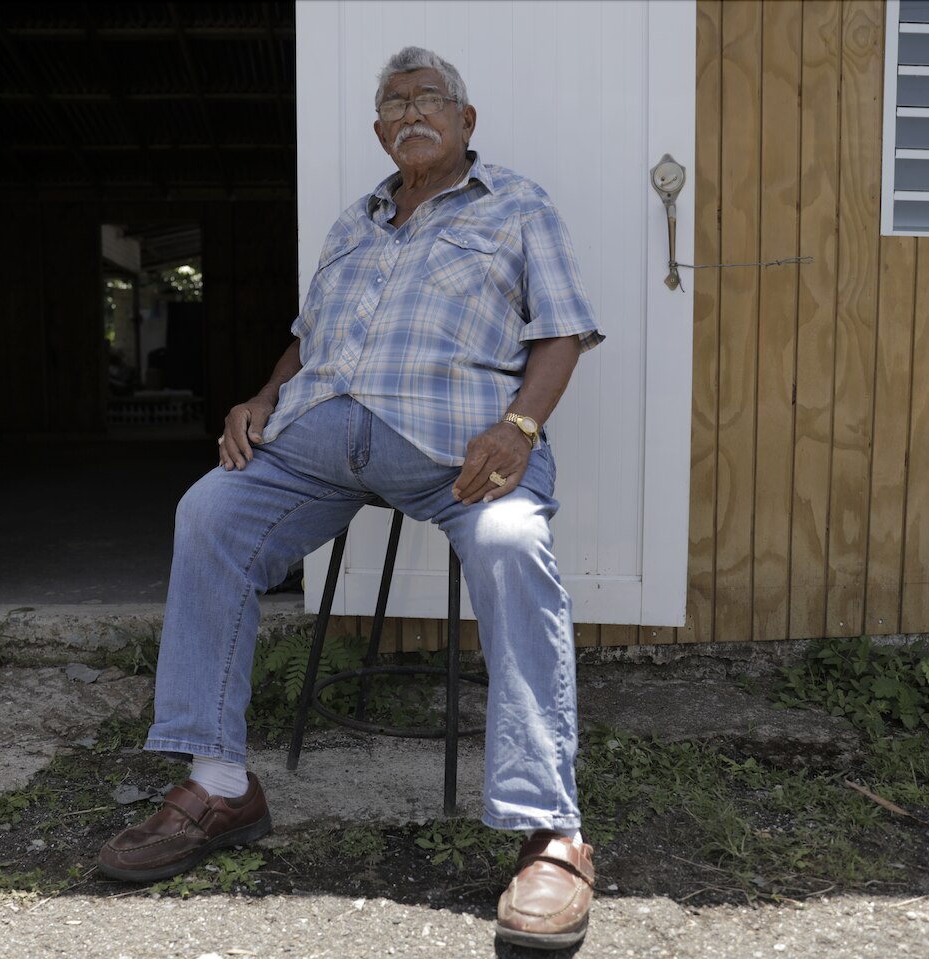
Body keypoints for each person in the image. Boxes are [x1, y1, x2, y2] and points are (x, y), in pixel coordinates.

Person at [98, 46, 604, 949]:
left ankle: (550, 830)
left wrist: (519, 428)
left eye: (429, 98)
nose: (411, 111)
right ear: (379, 131)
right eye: (394, 103)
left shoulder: (515, 206)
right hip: (320, 443)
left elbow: (561, 331)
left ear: (466, 121)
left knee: (509, 544)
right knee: (208, 511)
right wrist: (261, 397)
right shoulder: (353, 223)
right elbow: (305, 342)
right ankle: (219, 783)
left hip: (461, 450)